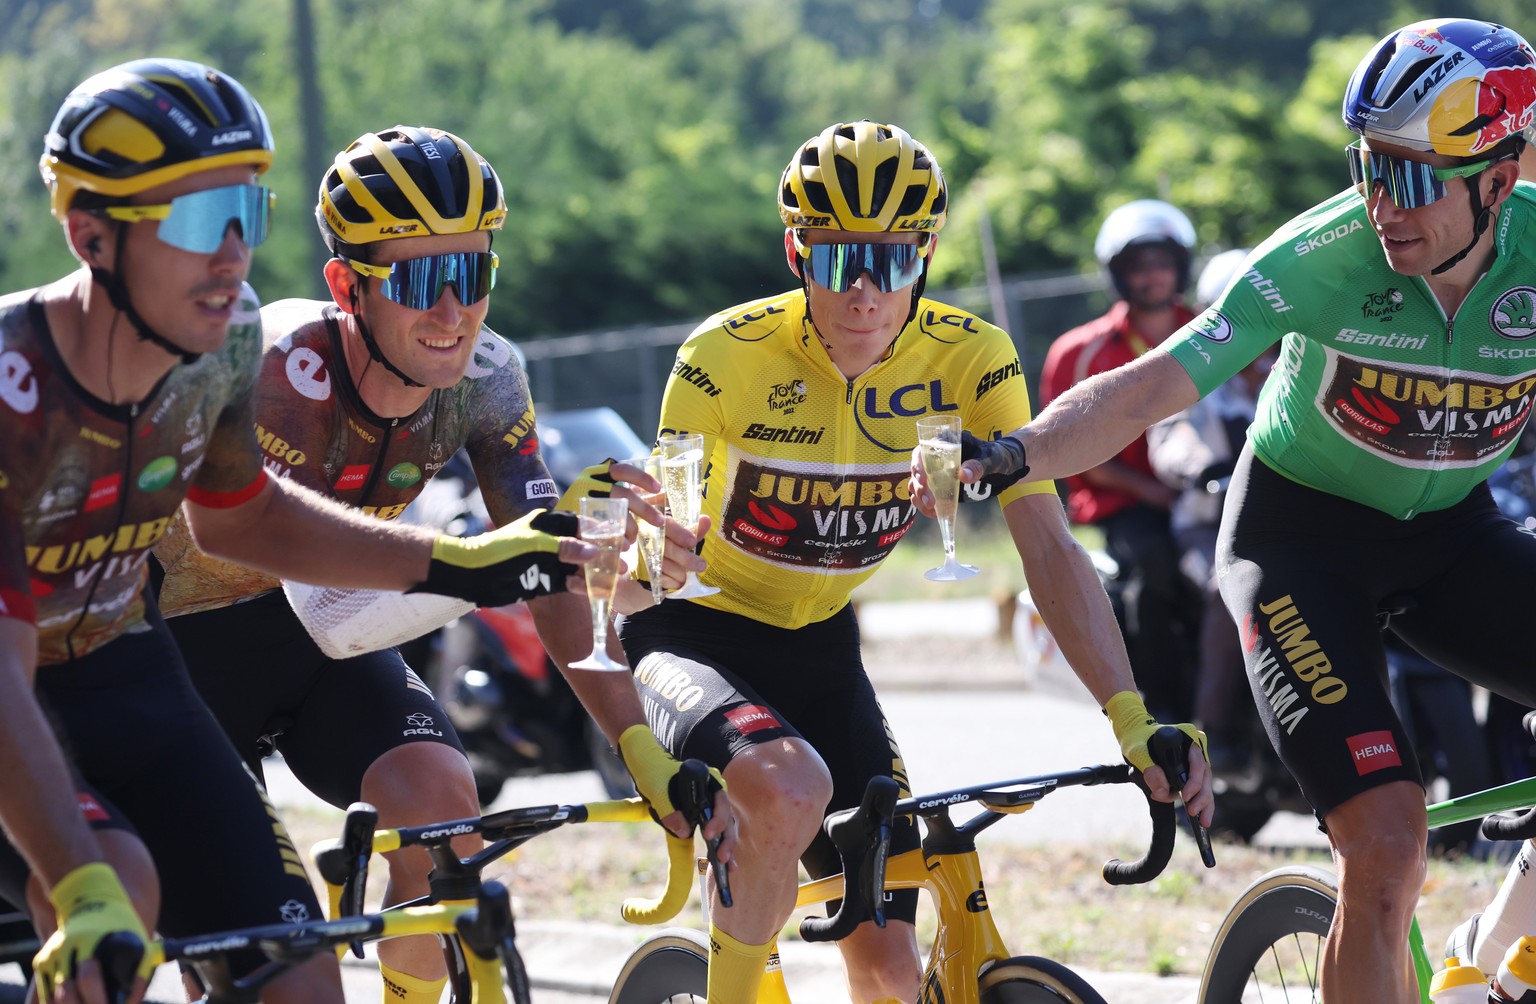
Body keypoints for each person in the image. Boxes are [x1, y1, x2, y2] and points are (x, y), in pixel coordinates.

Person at [922, 19, 1536, 1002]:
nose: (1384, 203)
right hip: (1302, 542)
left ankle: (1496, 950)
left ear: (1499, 179)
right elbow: (1148, 387)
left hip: (1453, 532)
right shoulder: (1323, 254)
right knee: (1386, 841)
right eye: (1369, 167)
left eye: (1414, 176)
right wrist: (1017, 451)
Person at [0, 60, 599, 1004]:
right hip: (32, 686)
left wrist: (476, 562)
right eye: (201, 222)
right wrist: (76, 881)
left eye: (249, 212)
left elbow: (247, 519)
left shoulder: (223, 339)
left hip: (139, 668)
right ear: (89, 236)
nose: (233, 253)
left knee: (301, 974)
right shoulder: (13, 390)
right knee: (114, 906)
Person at [616, 119, 1211, 1004]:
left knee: (892, 972)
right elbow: (668, 523)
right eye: (836, 261)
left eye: (891, 261)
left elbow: (1046, 542)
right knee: (785, 791)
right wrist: (658, 537)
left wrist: (1130, 718)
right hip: (696, 639)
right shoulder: (721, 355)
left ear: (926, 255)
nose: (863, 294)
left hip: (822, 645)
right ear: (795, 252)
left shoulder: (973, 357)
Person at [151, 124, 733, 1004]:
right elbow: (302, 579)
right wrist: (491, 561)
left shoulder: (491, 378)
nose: (452, 309)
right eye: (421, 278)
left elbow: (544, 578)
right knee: (259, 944)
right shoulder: (279, 371)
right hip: (178, 650)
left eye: (473, 274)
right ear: (347, 285)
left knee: (444, 811)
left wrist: (636, 741)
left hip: (320, 646)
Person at [1038, 199, 1202, 723]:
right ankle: (1165, 709)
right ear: (1118, 274)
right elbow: (1067, 448)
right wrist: (1150, 490)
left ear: (1181, 267)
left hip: (1208, 492)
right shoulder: (1077, 351)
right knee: (1154, 568)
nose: (1152, 276)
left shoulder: (1216, 330)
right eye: (1138, 265)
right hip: (1127, 503)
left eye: (1162, 262)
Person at [1145, 249, 1273, 769]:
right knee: (1232, 593)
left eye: (1261, 313)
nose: (1250, 328)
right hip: (1209, 530)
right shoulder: (1192, 374)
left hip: (1288, 528)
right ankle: (1213, 735)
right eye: (1232, 313)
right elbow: (1169, 436)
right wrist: (1202, 467)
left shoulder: (1300, 369)